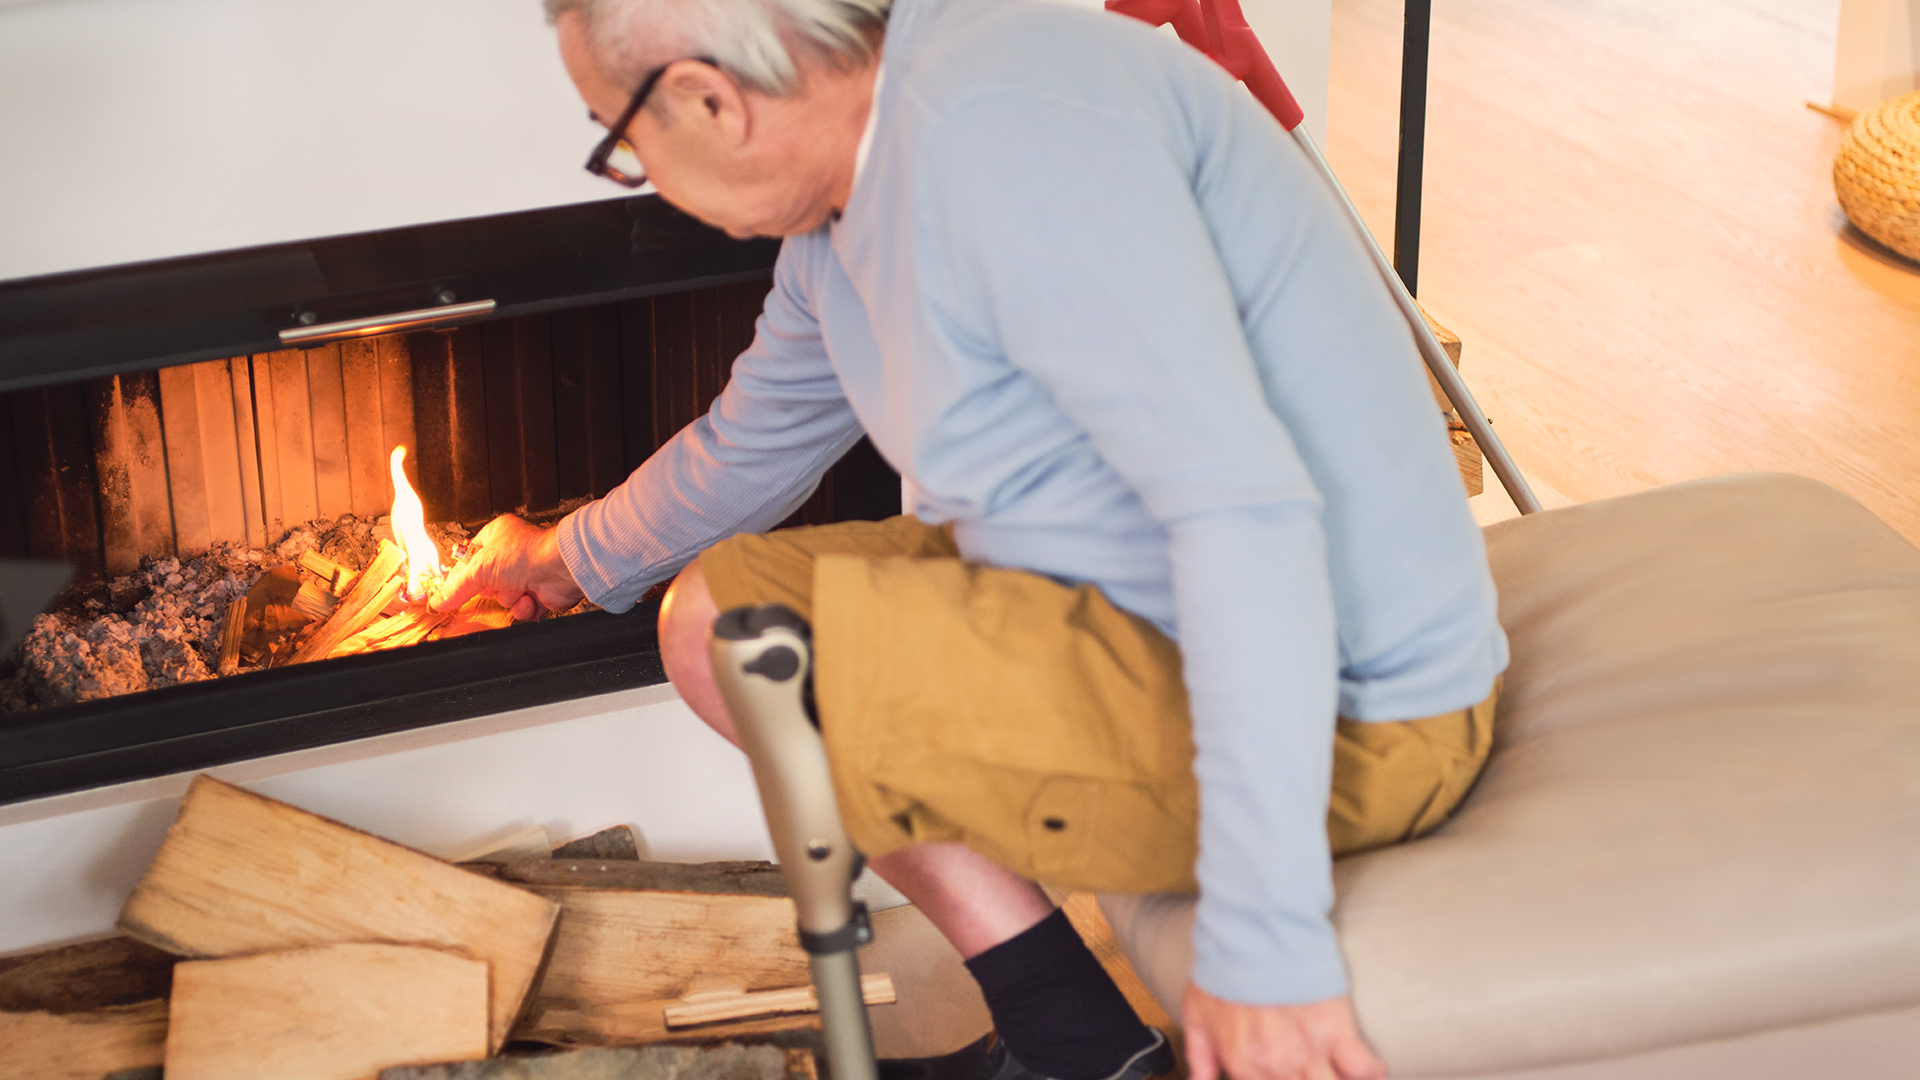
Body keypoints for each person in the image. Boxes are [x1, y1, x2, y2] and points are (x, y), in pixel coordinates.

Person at [432, 1, 1508, 1077]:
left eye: (622, 143)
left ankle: (1072, 1045)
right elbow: (751, 442)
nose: (640, 174)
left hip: (1350, 716)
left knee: (774, 657)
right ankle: (1076, 1043)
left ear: (712, 99)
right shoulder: (861, 168)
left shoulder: (996, 136)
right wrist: (565, 558)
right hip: (1131, 613)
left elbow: (1241, 514)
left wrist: (1267, 948)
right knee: (721, 621)